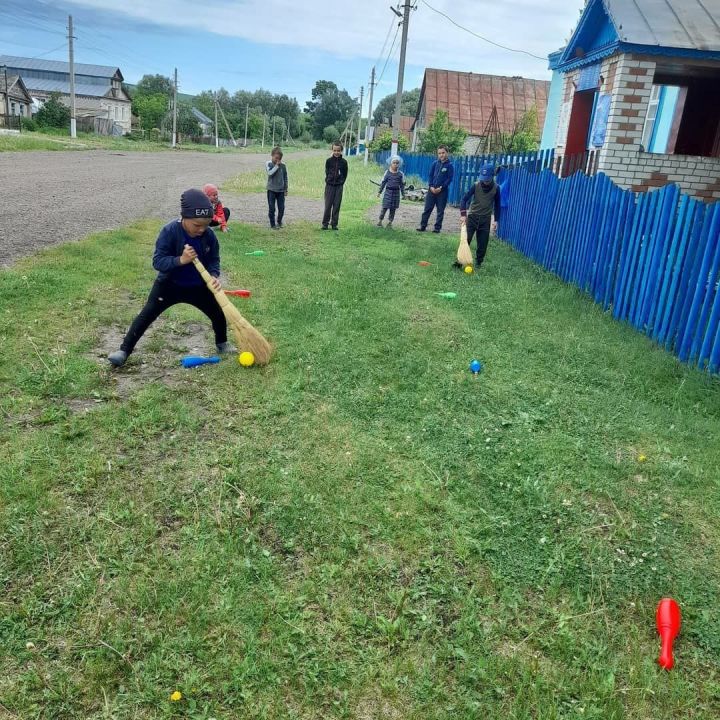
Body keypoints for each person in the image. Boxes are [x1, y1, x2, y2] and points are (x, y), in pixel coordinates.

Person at [107, 189, 229, 368]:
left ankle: (222, 344)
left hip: (199, 287)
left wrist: (214, 275)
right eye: (197, 225)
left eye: (206, 224)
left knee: (218, 314)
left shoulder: (208, 235)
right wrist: (181, 260)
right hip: (169, 286)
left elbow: (214, 260)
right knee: (146, 315)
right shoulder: (170, 231)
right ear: (184, 217)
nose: (202, 229)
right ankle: (124, 350)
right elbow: (158, 261)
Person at [458, 162, 502, 269]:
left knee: (483, 243)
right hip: (472, 217)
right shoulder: (475, 185)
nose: (485, 181)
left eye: (487, 179)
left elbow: (497, 205)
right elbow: (464, 200)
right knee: (465, 240)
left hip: (485, 219)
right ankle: (460, 261)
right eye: (483, 179)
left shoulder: (496, 188)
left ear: (492, 176)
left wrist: (496, 220)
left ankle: (478, 263)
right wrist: (463, 214)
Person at [417, 145, 454, 233]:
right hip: (432, 190)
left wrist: (441, 187)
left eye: (443, 153)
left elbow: (449, 179)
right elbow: (430, 175)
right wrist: (431, 186)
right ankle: (423, 226)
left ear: (447, 153)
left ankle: (437, 228)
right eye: (439, 153)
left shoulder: (450, 166)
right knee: (427, 208)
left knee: (440, 210)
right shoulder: (435, 163)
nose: (441, 155)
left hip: (442, 192)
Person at [322, 142, 348, 231]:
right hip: (329, 186)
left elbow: (345, 174)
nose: (336, 152)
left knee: (336, 205)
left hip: (339, 187)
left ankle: (334, 224)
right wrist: (329, 180)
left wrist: (341, 182)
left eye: (338, 150)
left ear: (341, 151)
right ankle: (325, 224)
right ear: (332, 150)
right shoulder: (328, 161)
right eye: (335, 150)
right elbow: (327, 172)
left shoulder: (344, 162)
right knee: (328, 205)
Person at [376, 156, 406, 228]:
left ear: (399, 164)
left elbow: (402, 185)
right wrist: (379, 192)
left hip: (396, 193)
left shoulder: (400, 174)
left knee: (393, 209)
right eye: (394, 163)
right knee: (384, 208)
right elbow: (383, 183)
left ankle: (390, 222)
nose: (395, 164)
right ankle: (380, 221)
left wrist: (403, 194)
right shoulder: (387, 172)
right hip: (388, 193)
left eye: (397, 163)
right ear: (391, 164)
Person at [266, 146, 289, 229]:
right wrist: (276, 166)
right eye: (276, 158)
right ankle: (272, 224)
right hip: (271, 190)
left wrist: (286, 189)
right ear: (272, 155)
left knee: (281, 208)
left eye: (279, 159)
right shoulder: (268, 163)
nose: (277, 160)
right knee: (272, 208)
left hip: (281, 191)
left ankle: (279, 221)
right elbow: (270, 173)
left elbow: (285, 177)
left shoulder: (283, 166)